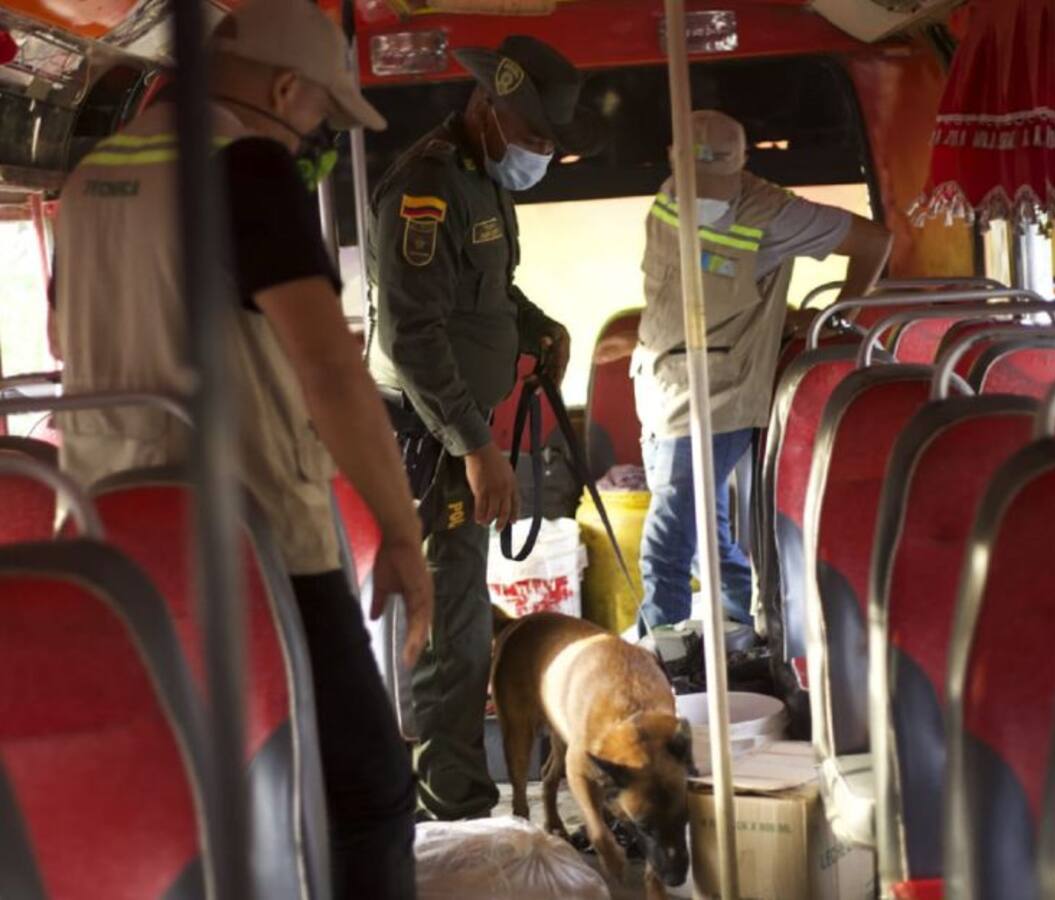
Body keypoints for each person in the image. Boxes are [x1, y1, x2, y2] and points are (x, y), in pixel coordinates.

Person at [50, 1, 432, 897]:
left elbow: (68, 339)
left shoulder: (89, 176)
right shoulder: (246, 165)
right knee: (367, 791)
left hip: (114, 537)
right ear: (287, 88)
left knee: (196, 786)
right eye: (319, 116)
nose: (312, 139)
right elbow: (329, 368)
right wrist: (402, 533)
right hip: (253, 533)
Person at [367, 35, 595, 821]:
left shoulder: (481, 180)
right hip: (429, 438)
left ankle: (456, 794)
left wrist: (537, 327)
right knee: (450, 628)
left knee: (461, 615)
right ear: (487, 109)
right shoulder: (429, 187)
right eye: (531, 136)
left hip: (455, 429)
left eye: (549, 144)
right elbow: (413, 334)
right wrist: (474, 444)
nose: (539, 155)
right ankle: (452, 806)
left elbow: (487, 292)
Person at [626, 109, 893, 630]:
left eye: (716, 181)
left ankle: (660, 652)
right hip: (660, 383)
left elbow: (874, 242)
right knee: (704, 539)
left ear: (744, 162)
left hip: (716, 397)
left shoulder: (773, 212)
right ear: (673, 160)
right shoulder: (669, 194)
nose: (704, 196)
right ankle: (751, 629)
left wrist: (838, 314)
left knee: (667, 544)